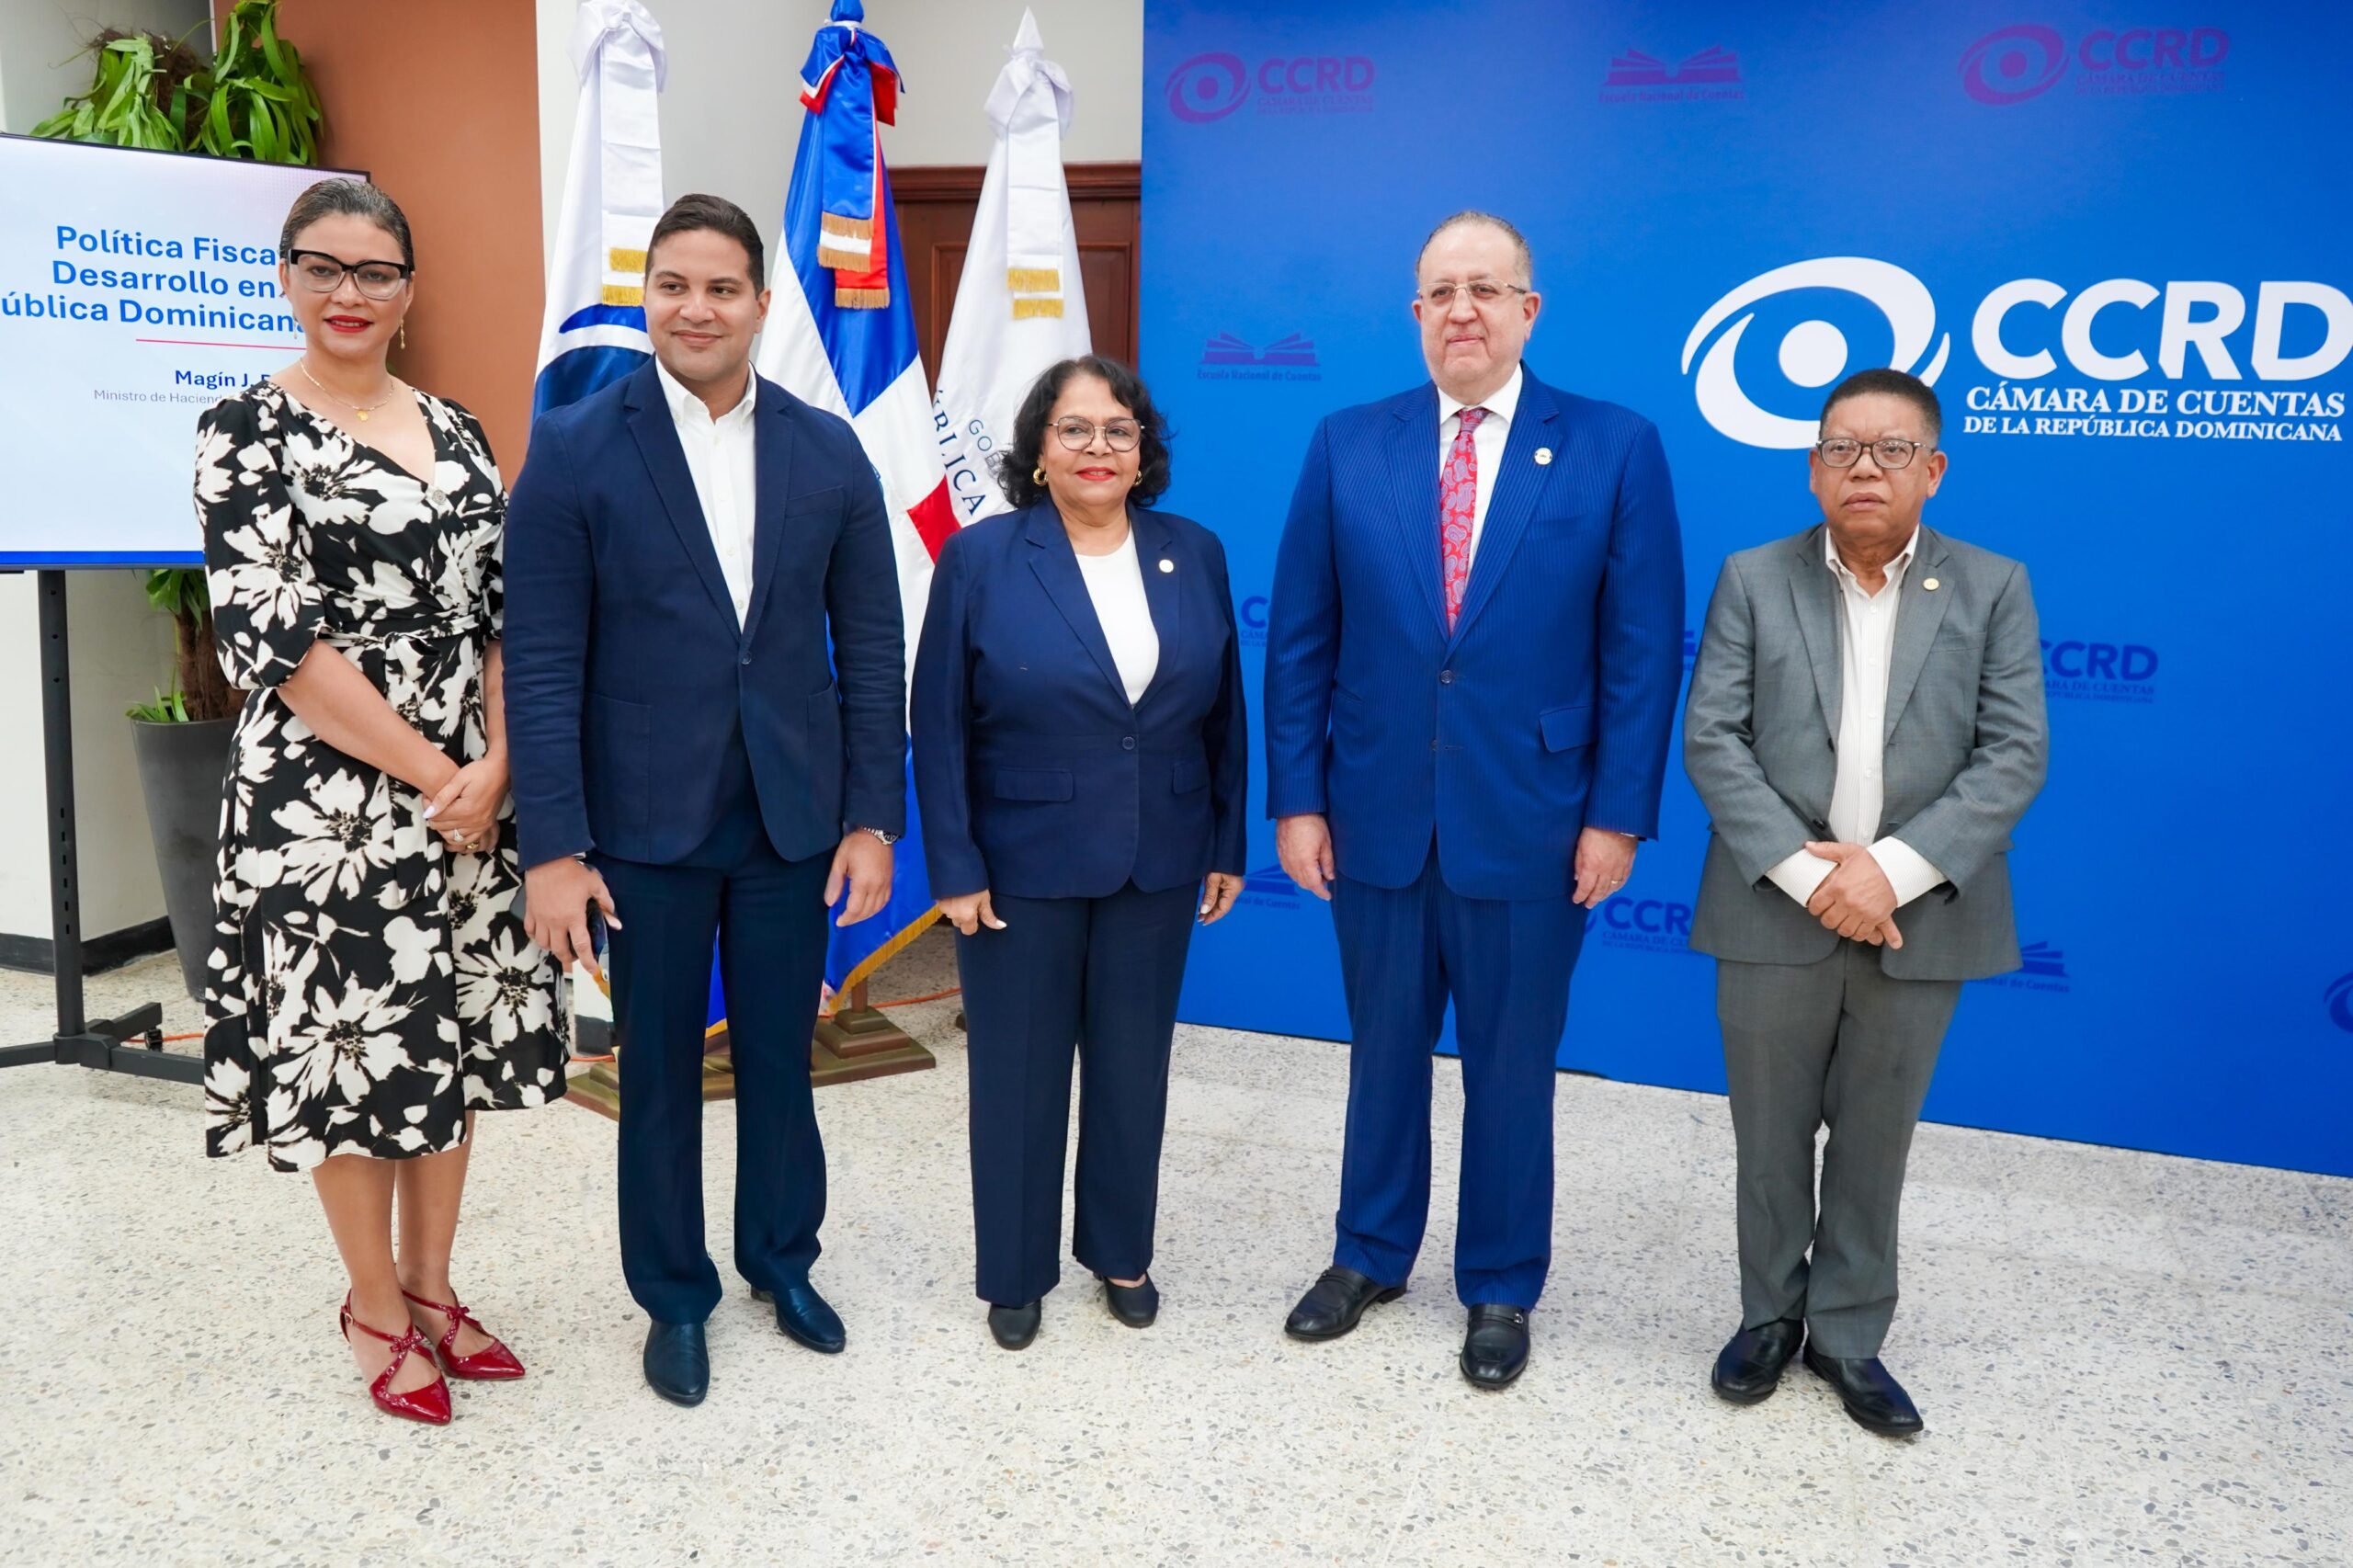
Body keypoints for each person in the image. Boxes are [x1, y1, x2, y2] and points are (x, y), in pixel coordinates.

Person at [1261, 212, 1685, 1389]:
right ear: (1414, 314)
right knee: (1381, 1049)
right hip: (1375, 815)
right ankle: (1369, 1251)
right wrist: (1296, 798)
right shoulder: (1348, 443)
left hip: (1539, 821)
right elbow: (1299, 638)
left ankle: (1499, 1283)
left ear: (1527, 310)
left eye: (1486, 290)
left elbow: (1642, 652)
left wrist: (1616, 816)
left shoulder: (1612, 446)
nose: (1462, 310)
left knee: (1511, 1062)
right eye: (1440, 291)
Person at [502, 194, 905, 1407]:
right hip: (642, 825)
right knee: (661, 1070)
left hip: (792, 818)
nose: (696, 307)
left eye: (720, 287)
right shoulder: (578, 443)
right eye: (672, 285)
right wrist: (556, 845)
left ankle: (782, 1262)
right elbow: (542, 658)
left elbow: (874, 648)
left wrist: (872, 816)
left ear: (759, 305)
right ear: (648, 298)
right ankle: (675, 1297)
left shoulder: (829, 449)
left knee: (787, 1057)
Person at [197, 178, 564, 1426]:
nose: (350, 294)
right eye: (325, 267)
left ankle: (435, 1283)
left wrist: (501, 763)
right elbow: (277, 640)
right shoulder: (243, 428)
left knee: (446, 1038)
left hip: (476, 782)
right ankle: (371, 1305)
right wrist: (436, 773)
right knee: (351, 1052)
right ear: (289, 278)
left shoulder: (461, 429)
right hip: (328, 798)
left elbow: (509, 614)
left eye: (376, 271)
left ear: (410, 290)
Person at [1684, 368, 2048, 1436]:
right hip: (1772, 908)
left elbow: (2015, 753)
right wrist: (1816, 878)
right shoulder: (1753, 577)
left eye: (1890, 450)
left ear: (1932, 470)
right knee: (1766, 1132)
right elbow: (1712, 738)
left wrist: (1885, 871)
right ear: (1812, 469)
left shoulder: (1993, 585)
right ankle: (1766, 1316)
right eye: (1842, 448)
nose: (1864, 469)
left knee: (1875, 1136)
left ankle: (1847, 1334)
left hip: (1919, 913)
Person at [912, 357, 1247, 1351]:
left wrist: (1225, 836)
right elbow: (938, 724)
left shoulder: (1196, 549)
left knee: (1132, 1066)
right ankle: (1015, 1270)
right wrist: (957, 866)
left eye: (1118, 430)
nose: (1098, 448)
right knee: (1015, 1073)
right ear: (1037, 450)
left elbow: (1224, 709)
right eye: (1074, 430)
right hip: (1019, 864)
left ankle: (1119, 1250)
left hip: (1162, 854)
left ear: (1144, 453)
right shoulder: (979, 558)